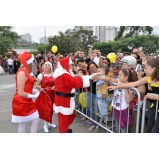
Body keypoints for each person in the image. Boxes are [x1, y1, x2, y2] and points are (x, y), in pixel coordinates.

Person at [107, 56, 159, 133]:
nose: (144, 70)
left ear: (154, 68)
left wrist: (155, 97)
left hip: (156, 103)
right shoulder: (148, 78)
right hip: (154, 107)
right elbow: (132, 84)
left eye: (146, 68)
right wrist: (117, 86)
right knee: (149, 129)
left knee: (155, 130)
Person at [53, 55, 93, 133]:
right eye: (70, 64)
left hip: (65, 100)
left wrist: (86, 77)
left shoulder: (65, 73)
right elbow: (73, 82)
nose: (72, 65)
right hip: (63, 101)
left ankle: (65, 129)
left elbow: (73, 79)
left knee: (69, 117)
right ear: (65, 65)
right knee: (63, 120)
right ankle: (64, 132)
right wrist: (88, 78)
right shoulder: (64, 74)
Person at [12, 52, 40, 133]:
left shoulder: (26, 71)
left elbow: (26, 86)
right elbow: (20, 92)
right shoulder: (22, 73)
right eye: (33, 61)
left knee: (34, 119)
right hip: (21, 102)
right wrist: (34, 96)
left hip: (27, 100)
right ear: (29, 62)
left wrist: (33, 90)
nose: (34, 63)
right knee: (24, 123)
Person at [36, 61, 57, 133]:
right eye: (46, 65)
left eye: (49, 65)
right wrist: (40, 88)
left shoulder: (53, 75)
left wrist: (54, 86)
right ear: (44, 66)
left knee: (51, 109)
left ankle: (50, 122)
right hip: (44, 94)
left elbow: (56, 83)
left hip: (52, 94)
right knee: (47, 109)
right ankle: (45, 125)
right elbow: (37, 84)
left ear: (51, 67)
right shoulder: (41, 75)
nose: (47, 66)